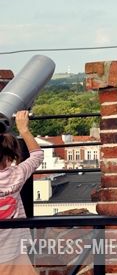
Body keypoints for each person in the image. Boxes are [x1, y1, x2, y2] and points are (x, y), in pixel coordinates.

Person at [0, 110, 42, 275]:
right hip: (14, 249)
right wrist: (23, 130)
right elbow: (37, 156)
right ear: (9, 158)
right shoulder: (17, 175)